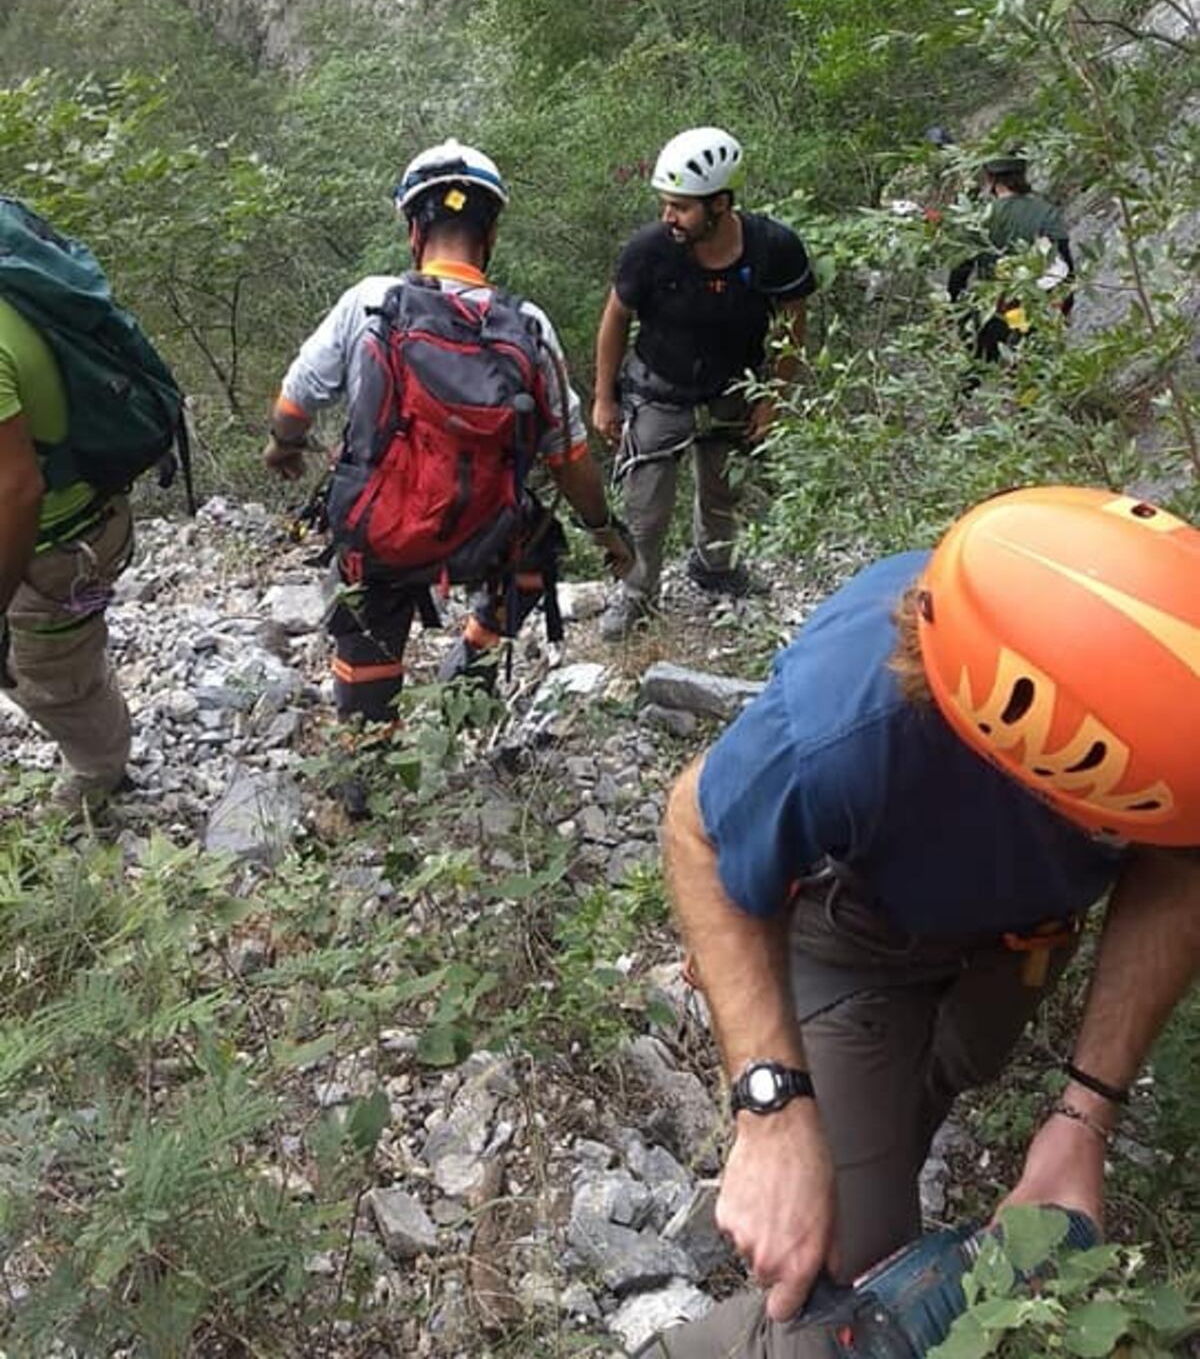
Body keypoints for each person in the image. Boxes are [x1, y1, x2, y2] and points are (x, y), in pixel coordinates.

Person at [640, 486, 1200, 1357]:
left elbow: (1179, 865)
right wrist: (773, 1112)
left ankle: (883, 1138)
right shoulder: (844, 719)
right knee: (838, 1309)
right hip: (855, 930)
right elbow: (696, 828)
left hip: (1014, 944)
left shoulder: (1168, 697)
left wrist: (1084, 1114)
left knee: (934, 1087)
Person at [264, 142, 632, 792]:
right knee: (537, 549)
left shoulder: (369, 302)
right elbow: (569, 456)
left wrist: (283, 445)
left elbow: (295, 402)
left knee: (371, 611)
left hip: (382, 531)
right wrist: (604, 528)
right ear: (489, 234)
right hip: (484, 533)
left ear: (413, 230)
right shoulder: (528, 324)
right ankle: (475, 660)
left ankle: (366, 767)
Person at [593, 127, 815, 641]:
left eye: (681, 207)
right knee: (646, 507)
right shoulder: (650, 250)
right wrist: (605, 398)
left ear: (720, 203)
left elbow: (791, 323)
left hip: (733, 389)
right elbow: (615, 319)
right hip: (657, 389)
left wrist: (773, 399)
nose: (668, 217)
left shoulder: (772, 248)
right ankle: (636, 592)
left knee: (721, 492)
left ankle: (715, 567)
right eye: (666, 205)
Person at [0, 294, 135, 817]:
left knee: (47, 679)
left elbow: (19, 490)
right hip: (82, 517)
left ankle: (100, 769)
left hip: (55, 546)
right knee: (61, 659)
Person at [948, 154, 1074, 362]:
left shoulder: (979, 219)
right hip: (1041, 303)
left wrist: (954, 307)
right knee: (1039, 364)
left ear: (991, 181)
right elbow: (1066, 263)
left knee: (984, 367)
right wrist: (1066, 306)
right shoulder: (1045, 212)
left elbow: (960, 269)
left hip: (997, 306)